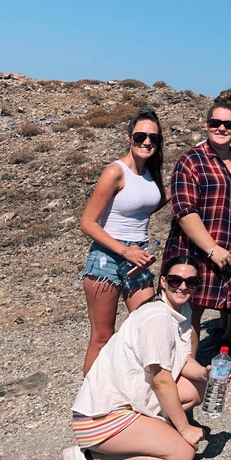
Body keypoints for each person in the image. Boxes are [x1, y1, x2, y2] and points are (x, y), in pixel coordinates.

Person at [63, 257, 209, 460]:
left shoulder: (180, 310)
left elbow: (184, 360)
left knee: (199, 386)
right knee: (182, 456)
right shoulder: (157, 318)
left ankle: (153, 432)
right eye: (175, 280)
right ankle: (89, 457)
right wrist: (185, 429)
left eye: (191, 281)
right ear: (163, 282)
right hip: (101, 417)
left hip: (127, 403)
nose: (183, 286)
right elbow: (162, 380)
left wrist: (208, 373)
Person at [165, 102, 231, 362]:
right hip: (198, 251)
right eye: (216, 123)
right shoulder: (191, 160)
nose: (221, 128)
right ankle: (189, 370)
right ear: (206, 125)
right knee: (191, 312)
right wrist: (211, 249)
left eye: (228, 124)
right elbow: (185, 210)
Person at [78, 109, 168, 374]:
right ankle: (91, 406)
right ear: (128, 137)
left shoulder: (151, 172)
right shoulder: (115, 172)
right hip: (108, 257)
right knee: (103, 336)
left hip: (138, 256)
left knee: (148, 327)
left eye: (154, 137)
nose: (147, 142)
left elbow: (141, 208)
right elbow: (87, 223)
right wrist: (123, 249)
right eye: (140, 136)